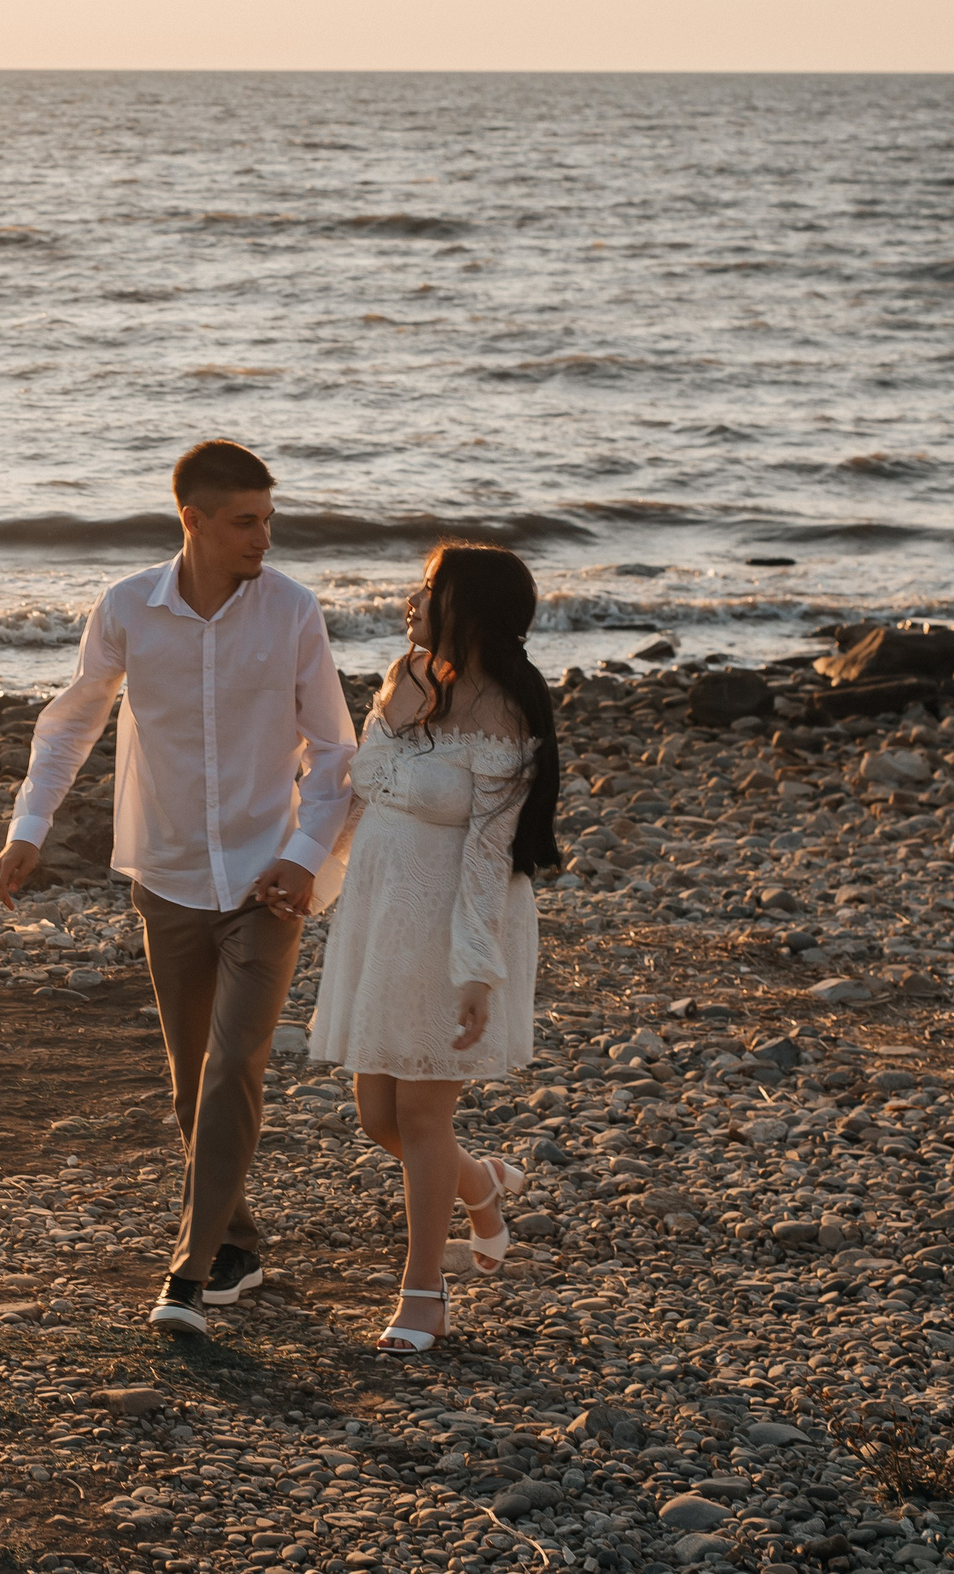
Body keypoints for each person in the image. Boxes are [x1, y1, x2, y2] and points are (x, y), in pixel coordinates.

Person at [0, 439, 355, 1337]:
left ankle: (187, 1276)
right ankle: (239, 1242)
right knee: (193, 1085)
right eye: (245, 522)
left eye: (269, 520)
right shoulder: (126, 609)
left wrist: (306, 855)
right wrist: (27, 831)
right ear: (191, 519)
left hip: (269, 880)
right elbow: (72, 722)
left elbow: (337, 750)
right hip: (168, 876)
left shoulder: (293, 612)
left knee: (237, 1064)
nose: (263, 538)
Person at [309, 542, 561, 1353]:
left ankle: (424, 1293)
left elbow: (490, 854)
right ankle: (482, 1183)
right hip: (383, 912)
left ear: (471, 607)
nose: (411, 601)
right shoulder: (408, 677)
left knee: (421, 1113)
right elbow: (368, 781)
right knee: (377, 1113)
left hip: (451, 915)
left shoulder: (509, 713)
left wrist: (476, 969)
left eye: (428, 589)